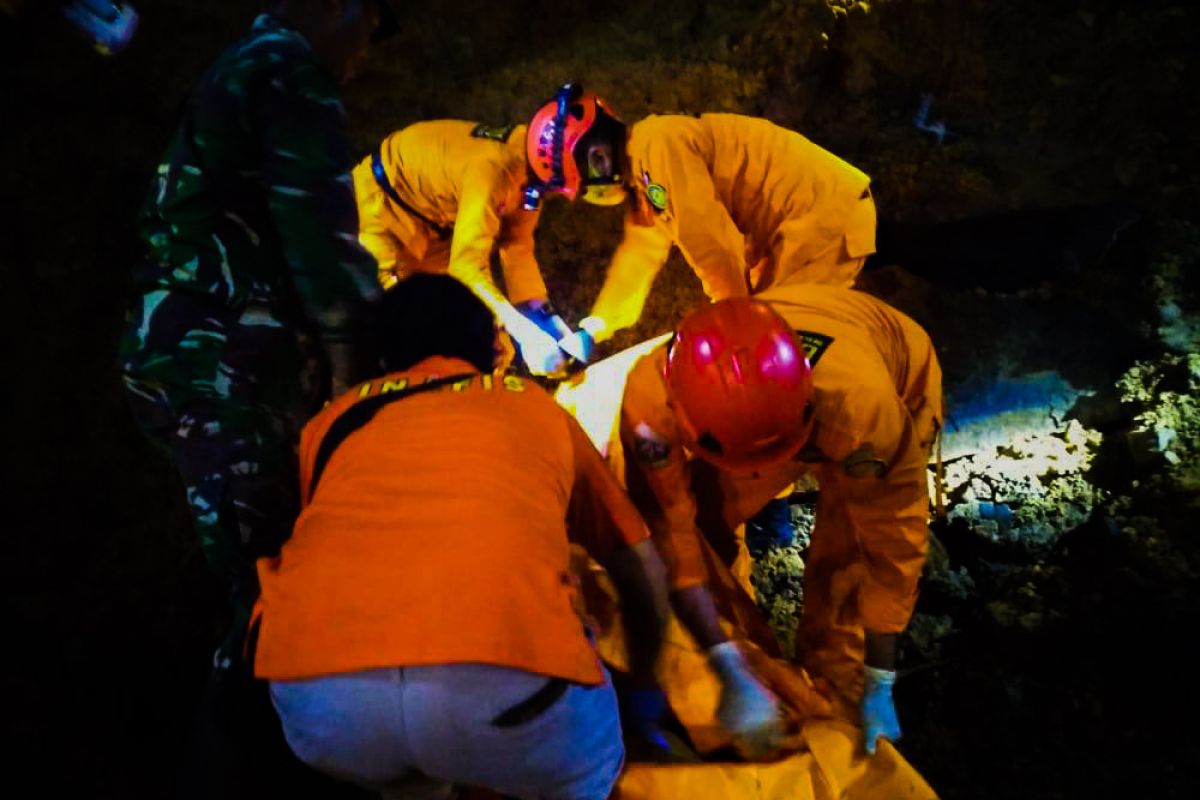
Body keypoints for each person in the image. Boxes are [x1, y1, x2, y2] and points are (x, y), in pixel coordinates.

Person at [117, 1, 398, 795]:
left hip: (191, 351)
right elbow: (320, 234)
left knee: (257, 573)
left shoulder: (244, 61)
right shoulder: (286, 69)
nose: (367, 55)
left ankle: (252, 748)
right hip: (222, 362)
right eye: (373, 28)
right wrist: (354, 368)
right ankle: (250, 766)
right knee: (270, 575)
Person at [253, 273, 670, 800]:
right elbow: (640, 565)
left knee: (407, 769)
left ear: (383, 356)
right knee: (584, 772)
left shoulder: (331, 423)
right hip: (509, 693)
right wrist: (646, 681)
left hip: (319, 699)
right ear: (488, 345)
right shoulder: (532, 406)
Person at [613, 285, 942, 755]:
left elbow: (890, 548)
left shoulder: (863, 409)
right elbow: (672, 534)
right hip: (763, 415)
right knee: (702, 521)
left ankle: (836, 685)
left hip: (878, 374)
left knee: (846, 552)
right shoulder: (650, 410)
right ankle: (748, 656)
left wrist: (879, 678)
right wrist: (724, 659)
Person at [355, 83, 626, 375]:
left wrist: (549, 324)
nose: (603, 168)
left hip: (433, 226)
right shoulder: (495, 172)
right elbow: (466, 268)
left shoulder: (530, 176)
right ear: (563, 153)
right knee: (416, 341)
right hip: (381, 220)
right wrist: (526, 333)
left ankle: (482, 407)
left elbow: (517, 247)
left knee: (491, 346)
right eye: (598, 159)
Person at [566, 113, 878, 347]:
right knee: (776, 339)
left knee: (786, 347)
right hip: (808, 223)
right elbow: (638, 259)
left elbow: (712, 247)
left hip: (818, 220)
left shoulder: (657, 150)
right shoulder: (645, 168)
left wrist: (731, 322)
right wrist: (594, 328)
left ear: (598, 158)